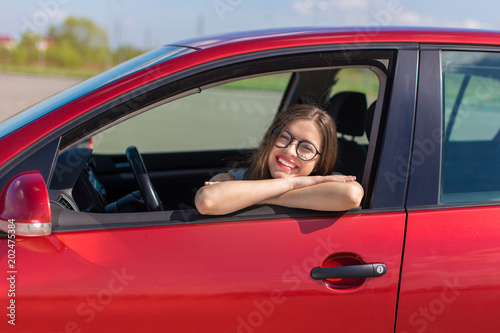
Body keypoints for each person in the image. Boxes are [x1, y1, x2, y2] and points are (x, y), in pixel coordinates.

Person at [195, 104, 364, 215]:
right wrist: (290, 184)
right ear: (271, 138)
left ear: (320, 161)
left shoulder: (325, 180)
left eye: (306, 148)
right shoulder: (237, 177)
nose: (290, 151)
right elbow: (207, 200)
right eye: (284, 137)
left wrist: (255, 197)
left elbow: (352, 195)